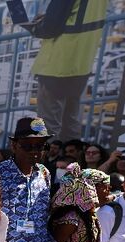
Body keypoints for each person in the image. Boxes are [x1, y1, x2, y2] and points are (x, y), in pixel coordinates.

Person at [28, 0, 107, 141]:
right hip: (82, 62)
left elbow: (50, 28)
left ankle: (48, 161)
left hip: (57, 64)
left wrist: (35, 27)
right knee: (70, 122)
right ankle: (71, 159)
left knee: (48, 125)